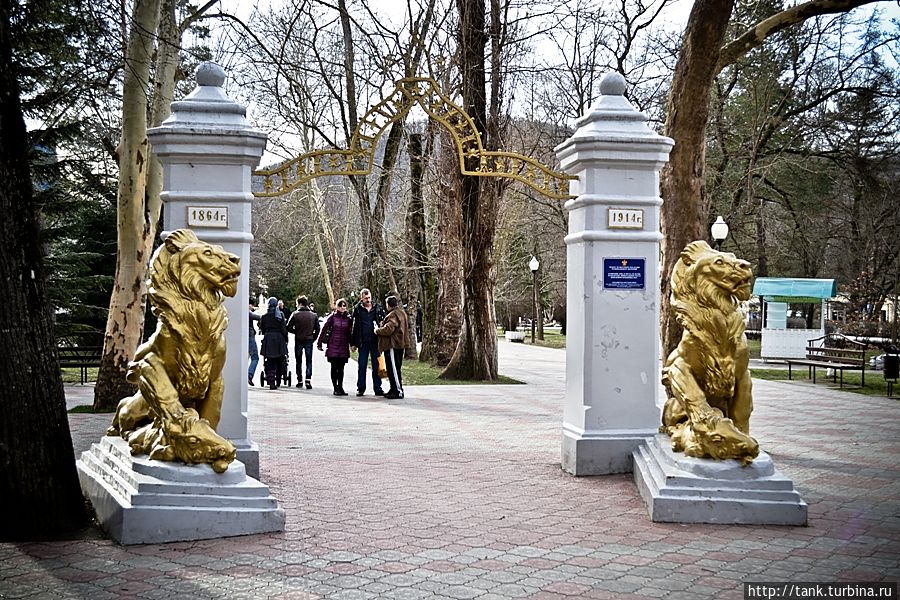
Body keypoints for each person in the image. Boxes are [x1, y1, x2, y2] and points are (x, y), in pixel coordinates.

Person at [349, 288, 386, 397]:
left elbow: (383, 323)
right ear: (361, 298)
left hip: (375, 342)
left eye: (369, 297)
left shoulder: (378, 308)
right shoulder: (357, 309)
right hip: (363, 342)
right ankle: (361, 388)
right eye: (365, 298)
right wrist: (353, 343)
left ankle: (378, 388)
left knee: (377, 366)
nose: (368, 300)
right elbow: (354, 327)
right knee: (362, 366)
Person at [375, 295, 409, 399]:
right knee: (393, 368)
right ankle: (393, 388)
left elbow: (389, 329)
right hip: (400, 344)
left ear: (388, 304)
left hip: (393, 344)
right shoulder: (402, 313)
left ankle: (398, 390)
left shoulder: (393, 314)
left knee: (393, 368)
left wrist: (377, 330)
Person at [317, 298, 352, 396]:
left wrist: (352, 344)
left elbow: (350, 332)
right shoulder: (332, 317)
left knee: (341, 369)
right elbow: (324, 330)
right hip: (333, 345)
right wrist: (319, 343)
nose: (342, 307)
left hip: (343, 346)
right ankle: (335, 387)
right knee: (334, 367)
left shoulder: (348, 319)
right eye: (340, 305)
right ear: (336, 306)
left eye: (344, 305)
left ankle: (340, 387)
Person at [287, 295, 319, 389]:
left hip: (299, 339)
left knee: (299, 360)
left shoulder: (295, 314)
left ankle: (299, 380)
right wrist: (313, 338)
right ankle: (308, 380)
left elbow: (288, 327)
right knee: (309, 361)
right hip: (309, 339)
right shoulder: (313, 315)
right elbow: (317, 328)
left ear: (299, 304)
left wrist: (296, 332)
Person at [259, 296, 288, 390]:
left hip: (268, 338)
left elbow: (262, 329)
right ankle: (278, 378)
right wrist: (286, 338)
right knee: (280, 359)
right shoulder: (280, 315)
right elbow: (284, 328)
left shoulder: (264, 316)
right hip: (279, 338)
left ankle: (271, 380)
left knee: (270, 361)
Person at [248, 300, 261, 386]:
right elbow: (259, 317)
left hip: (245, 336)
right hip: (250, 337)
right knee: (255, 357)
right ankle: (249, 374)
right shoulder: (247, 312)